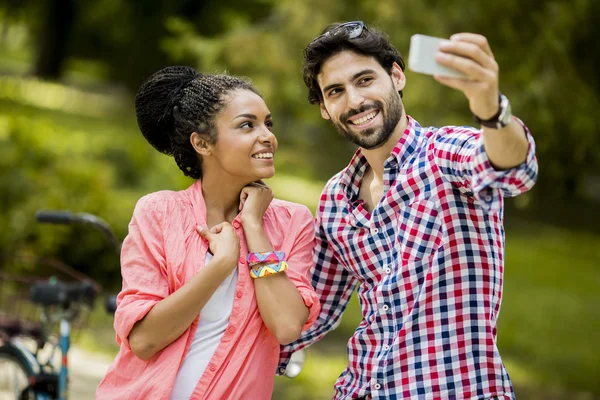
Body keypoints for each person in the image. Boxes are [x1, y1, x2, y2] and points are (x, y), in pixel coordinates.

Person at [278, 22, 538, 400]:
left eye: (364, 80)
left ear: (396, 76)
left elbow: (513, 168)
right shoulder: (336, 198)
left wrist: (492, 110)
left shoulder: (445, 155)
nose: (353, 101)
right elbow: (305, 314)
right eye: (336, 91)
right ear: (324, 108)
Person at [96, 66, 320, 400]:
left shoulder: (292, 222)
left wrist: (255, 228)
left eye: (267, 124)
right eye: (247, 125)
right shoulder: (159, 213)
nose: (268, 136)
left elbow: (286, 326)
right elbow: (143, 340)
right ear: (202, 143)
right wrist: (220, 265)